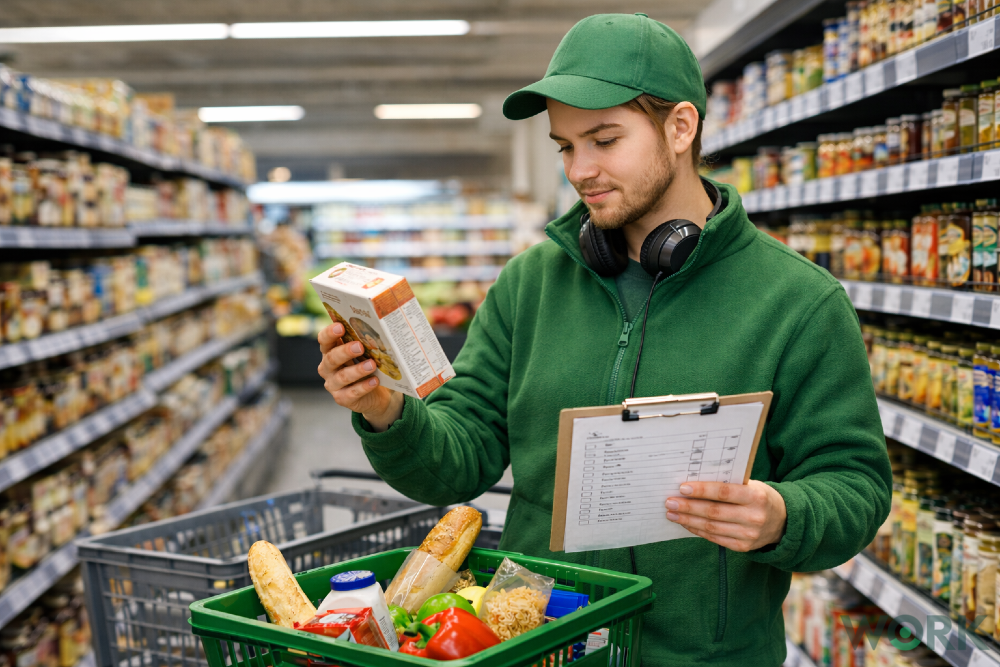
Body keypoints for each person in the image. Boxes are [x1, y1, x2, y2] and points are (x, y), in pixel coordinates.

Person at [318, 13, 891, 666]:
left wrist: (783, 514)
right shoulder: (530, 285)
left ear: (681, 128)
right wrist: (385, 410)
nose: (580, 169)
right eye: (565, 146)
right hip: (543, 648)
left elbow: (856, 486)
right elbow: (459, 458)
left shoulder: (799, 301)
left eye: (604, 140)